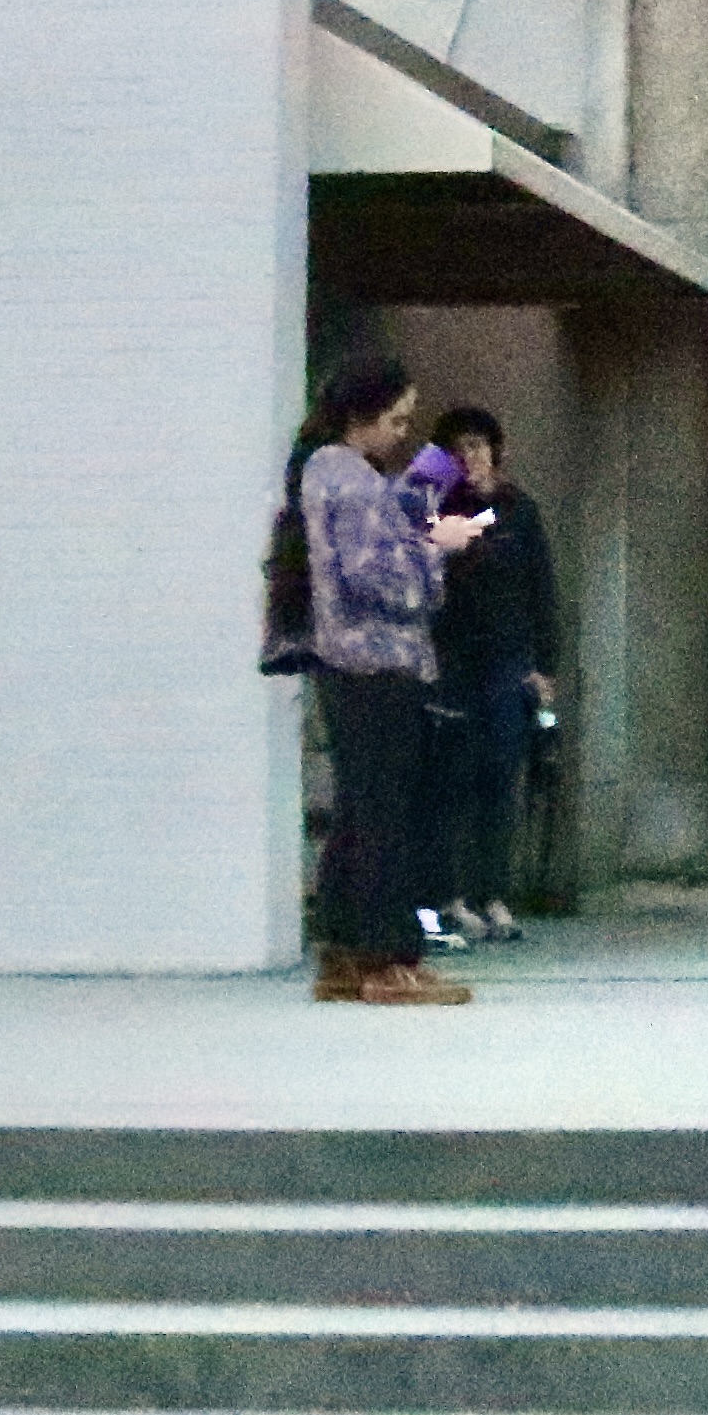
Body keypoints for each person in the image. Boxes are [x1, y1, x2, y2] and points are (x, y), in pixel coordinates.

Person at [273, 350, 480, 1007]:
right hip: (381, 660)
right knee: (390, 817)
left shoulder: (319, 471)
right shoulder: (352, 478)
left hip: (343, 661)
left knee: (359, 815)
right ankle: (392, 962)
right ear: (359, 418)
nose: (401, 433)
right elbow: (377, 574)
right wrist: (436, 549)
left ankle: (342, 956)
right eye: (395, 420)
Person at [420, 405, 564, 949]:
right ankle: (450, 897)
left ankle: (494, 893)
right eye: (458, 450)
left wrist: (544, 667)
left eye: (478, 446)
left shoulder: (518, 511)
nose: (470, 458)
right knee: (450, 779)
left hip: (509, 660)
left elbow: (542, 588)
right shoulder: (437, 514)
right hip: (452, 660)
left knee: (502, 778)